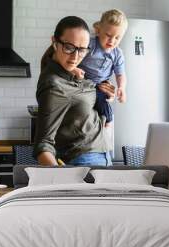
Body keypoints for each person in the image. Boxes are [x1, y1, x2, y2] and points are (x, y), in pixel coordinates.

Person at [34, 16, 115, 166]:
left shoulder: (72, 73)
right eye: (69, 47)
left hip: (103, 156)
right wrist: (63, 180)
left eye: (82, 50)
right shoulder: (53, 85)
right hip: (84, 161)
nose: (76, 57)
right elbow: (43, 144)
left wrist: (103, 93)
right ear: (54, 42)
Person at [74, 9, 128, 127]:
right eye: (108, 35)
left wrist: (122, 88)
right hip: (82, 80)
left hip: (100, 86)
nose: (112, 41)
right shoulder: (91, 44)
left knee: (104, 106)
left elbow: (120, 74)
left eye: (117, 38)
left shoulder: (117, 53)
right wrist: (74, 69)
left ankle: (106, 124)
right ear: (98, 31)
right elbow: (76, 56)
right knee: (83, 105)